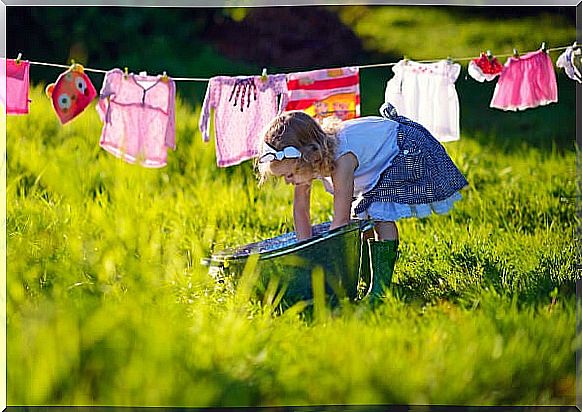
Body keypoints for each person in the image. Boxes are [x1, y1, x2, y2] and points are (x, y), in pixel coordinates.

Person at [256, 102, 468, 301]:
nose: (287, 180)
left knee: (378, 215)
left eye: (290, 175)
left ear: (308, 157)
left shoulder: (341, 160)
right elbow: (301, 210)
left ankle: (380, 289)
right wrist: (307, 255)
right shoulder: (307, 162)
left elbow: (341, 222)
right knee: (362, 218)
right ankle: (364, 279)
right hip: (376, 160)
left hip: (401, 148)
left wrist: (331, 267)